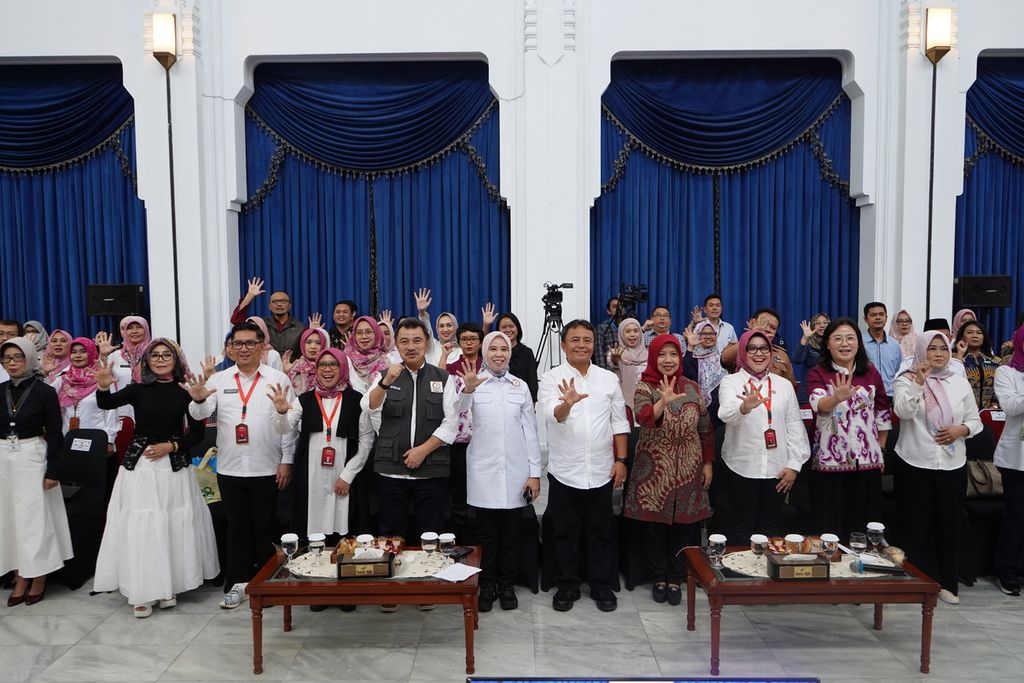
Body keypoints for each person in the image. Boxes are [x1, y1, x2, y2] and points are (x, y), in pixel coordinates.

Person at [92, 339, 219, 617]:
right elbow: (106, 403)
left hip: (173, 467)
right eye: (155, 356)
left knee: (171, 526)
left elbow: (197, 434)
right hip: (141, 467)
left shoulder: (185, 390)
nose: (160, 359)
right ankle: (143, 591)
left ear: (176, 360)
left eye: (166, 355)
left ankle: (168, 586)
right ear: (146, 361)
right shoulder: (138, 390)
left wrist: (172, 446)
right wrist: (103, 384)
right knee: (144, 527)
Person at [184, 321, 296, 609]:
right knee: (236, 528)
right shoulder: (219, 380)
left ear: (262, 346)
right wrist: (195, 402)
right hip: (230, 468)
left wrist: (286, 460)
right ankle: (238, 584)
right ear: (230, 349)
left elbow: (288, 426)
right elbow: (201, 412)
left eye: (250, 343)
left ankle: (265, 585)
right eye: (238, 344)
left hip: (266, 466)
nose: (244, 348)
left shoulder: (277, 379)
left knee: (265, 528)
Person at [538, 319, 629, 612]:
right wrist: (568, 403)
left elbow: (619, 422)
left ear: (594, 344)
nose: (581, 345)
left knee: (601, 531)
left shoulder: (608, 379)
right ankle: (567, 585)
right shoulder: (551, 378)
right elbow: (554, 416)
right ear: (564, 345)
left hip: (602, 471)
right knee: (565, 532)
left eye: (586, 340)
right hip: (566, 471)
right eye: (574, 340)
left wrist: (622, 460)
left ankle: (602, 585)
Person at [892, 331, 980, 605]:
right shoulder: (905, 379)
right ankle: (915, 582)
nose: (939, 354)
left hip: (952, 464)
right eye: (932, 349)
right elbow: (903, 412)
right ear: (921, 351)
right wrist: (920, 381)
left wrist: (961, 429)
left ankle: (947, 582)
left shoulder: (959, 381)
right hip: (915, 462)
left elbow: (976, 420)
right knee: (914, 526)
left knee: (949, 524)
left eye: (944, 348)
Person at [456, 331, 542, 612]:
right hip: (483, 471)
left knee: (511, 534)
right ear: (484, 352)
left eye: (503, 349)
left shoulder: (521, 386)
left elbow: (530, 431)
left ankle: (507, 584)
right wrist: (467, 390)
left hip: (516, 471)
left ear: (510, 353)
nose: (498, 354)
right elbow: (458, 415)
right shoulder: (472, 383)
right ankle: (488, 583)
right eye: (492, 349)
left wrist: (535, 473)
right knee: (486, 534)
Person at [625, 334, 713, 606]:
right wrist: (663, 400)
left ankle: (676, 577)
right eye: (661, 355)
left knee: (685, 528)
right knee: (655, 529)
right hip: (654, 472)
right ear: (654, 357)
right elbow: (643, 418)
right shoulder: (644, 387)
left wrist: (708, 463)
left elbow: (705, 429)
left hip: (689, 467)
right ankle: (659, 577)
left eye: (673, 354)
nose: (667, 360)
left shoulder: (694, 388)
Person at [360, 318, 458, 544]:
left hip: (431, 471)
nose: (411, 346)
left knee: (431, 533)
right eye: (404, 341)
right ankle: (392, 580)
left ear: (426, 344)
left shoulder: (442, 378)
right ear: (396, 345)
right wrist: (385, 382)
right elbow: (369, 406)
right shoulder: (386, 374)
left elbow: (450, 423)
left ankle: (430, 578)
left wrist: (422, 451)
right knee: (391, 535)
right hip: (392, 472)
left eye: (417, 341)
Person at [271, 348, 373, 541]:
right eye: (322, 365)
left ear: (342, 368)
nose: (328, 369)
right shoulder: (304, 399)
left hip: (343, 474)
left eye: (333, 364)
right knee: (312, 529)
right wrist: (281, 413)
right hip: (311, 476)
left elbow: (366, 440)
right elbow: (283, 429)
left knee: (343, 527)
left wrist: (348, 475)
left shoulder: (356, 400)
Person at [0, 337, 73, 606]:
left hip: (33, 457)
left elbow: (55, 434)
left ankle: (38, 575)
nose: (12, 363)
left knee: (34, 519)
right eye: (7, 358)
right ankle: (19, 575)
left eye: (17, 357)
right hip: (3, 459)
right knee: (9, 519)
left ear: (29, 358)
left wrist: (53, 471)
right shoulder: (0, 390)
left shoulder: (45, 392)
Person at [717, 330, 808, 541]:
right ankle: (740, 573)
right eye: (752, 348)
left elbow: (794, 426)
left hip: (777, 469)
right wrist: (744, 406)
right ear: (743, 352)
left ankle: (766, 574)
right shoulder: (731, 382)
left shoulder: (783, 385)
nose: (759, 353)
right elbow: (725, 414)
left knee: (770, 528)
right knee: (740, 528)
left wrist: (794, 465)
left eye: (764, 348)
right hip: (740, 467)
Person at [805, 318, 891, 542]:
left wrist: (880, 450)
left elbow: (882, 412)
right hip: (829, 462)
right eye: (838, 339)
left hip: (866, 461)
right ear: (827, 345)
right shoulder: (818, 373)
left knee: (863, 523)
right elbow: (818, 405)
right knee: (829, 525)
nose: (845, 344)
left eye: (850, 338)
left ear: (859, 343)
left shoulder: (870, 373)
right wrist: (836, 398)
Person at [444, 322, 484, 535]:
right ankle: (459, 533)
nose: (469, 343)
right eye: (465, 339)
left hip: (483, 437)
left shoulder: (488, 366)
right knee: (459, 488)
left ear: (480, 341)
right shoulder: (452, 368)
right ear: (459, 342)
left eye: (473, 339)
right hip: (458, 439)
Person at [993, 324, 1024, 596]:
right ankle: (1008, 570)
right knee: (1017, 514)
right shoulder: (1006, 372)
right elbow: (1011, 406)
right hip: (1017, 458)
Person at [51, 337, 118, 451]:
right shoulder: (63, 379)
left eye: (83, 351)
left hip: (97, 439)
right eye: (73, 352)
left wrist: (109, 440)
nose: (78, 355)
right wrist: (45, 373)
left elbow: (111, 411)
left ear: (91, 353)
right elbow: (45, 396)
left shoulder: (102, 378)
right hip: (67, 439)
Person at [720, 308, 797, 387]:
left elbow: (791, 386)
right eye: (764, 324)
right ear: (751, 324)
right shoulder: (738, 347)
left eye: (773, 328)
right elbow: (725, 359)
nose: (767, 329)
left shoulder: (782, 355)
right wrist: (752, 334)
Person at [230, 278, 305, 357]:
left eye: (283, 301)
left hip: (291, 368)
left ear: (289, 306)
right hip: (266, 367)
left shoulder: (300, 327)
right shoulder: (262, 325)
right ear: (269, 306)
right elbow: (236, 320)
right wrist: (249, 296)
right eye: (275, 302)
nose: (279, 304)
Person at [682, 321, 727, 429]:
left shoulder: (723, 357)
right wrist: (690, 347)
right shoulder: (693, 357)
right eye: (704, 333)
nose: (708, 337)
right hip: (698, 413)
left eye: (712, 334)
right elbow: (686, 374)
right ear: (698, 335)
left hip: (720, 415)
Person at [954, 320, 1001, 410]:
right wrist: (960, 353)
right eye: (969, 332)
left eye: (979, 333)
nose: (975, 336)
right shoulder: (953, 359)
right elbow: (954, 379)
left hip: (989, 412)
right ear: (961, 337)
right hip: (962, 410)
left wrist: (995, 405)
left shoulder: (996, 362)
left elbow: (1000, 386)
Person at [607, 317, 646, 426]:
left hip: (646, 404)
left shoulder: (649, 354)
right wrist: (616, 358)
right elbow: (613, 363)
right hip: (624, 405)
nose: (632, 335)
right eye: (627, 331)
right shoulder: (617, 353)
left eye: (636, 331)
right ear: (621, 334)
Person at [495, 312, 539, 401]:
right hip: (499, 399)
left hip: (521, 399)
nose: (508, 330)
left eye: (511, 326)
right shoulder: (495, 353)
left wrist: (532, 403)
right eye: (503, 327)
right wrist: (486, 325)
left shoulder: (527, 352)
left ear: (517, 328)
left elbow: (532, 381)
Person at [862, 302, 903, 397]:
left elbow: (898, 371)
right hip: (866, 397)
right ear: (865, 319)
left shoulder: (894, 344)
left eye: (881, 314)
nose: (878, 317)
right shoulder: (859, 343)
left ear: (886, 318)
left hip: (890, 396)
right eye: (873, 315)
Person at [344, 315, 391, 395]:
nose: (364, 336)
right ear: (354, 336)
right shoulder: (346, 360)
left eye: (368, 332)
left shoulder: (387, 361)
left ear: (376, 333)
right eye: (359, 333)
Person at [283, 327, 330, 396]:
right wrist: (285, 372)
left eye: (318, 343)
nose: (313, 346)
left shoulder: (329, 368)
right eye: (309, 342)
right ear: (302, 344)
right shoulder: (294, 367)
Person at [791, 313, 830, 391]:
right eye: (818, 323)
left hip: (829, 390)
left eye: (825, 323)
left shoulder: (834, 343)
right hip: (809, 389)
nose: (822, 325)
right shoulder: (808, 343)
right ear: (812, 326)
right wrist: (805, 338)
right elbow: (796, 360)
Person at [593, 297, 621, 370]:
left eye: (620, 306)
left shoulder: (631, 327)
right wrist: (603, 374)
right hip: (610, 371)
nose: (618, 309)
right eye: (615, 307)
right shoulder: (602, 328)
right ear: (609, 311)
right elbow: (599, 353)